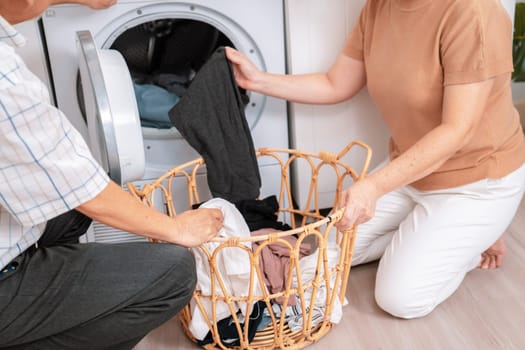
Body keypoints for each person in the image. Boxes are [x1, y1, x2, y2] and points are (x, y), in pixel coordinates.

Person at [226, 0, 525, 319]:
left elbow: (457, 130)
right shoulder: (379, 6)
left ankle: (475, 237)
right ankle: (448, 232)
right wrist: (257, 80)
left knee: (400, 298)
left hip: (477, 180)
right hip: (412, 171)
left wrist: (373, 187)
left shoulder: (472, 13)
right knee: (323, 252)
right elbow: (336, 83)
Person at [0, 1, 223, 348]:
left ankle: (57, 296)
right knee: (175, 272)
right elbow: (82, 187)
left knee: (73, 213)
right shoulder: (4, 79)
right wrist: (177, 228)